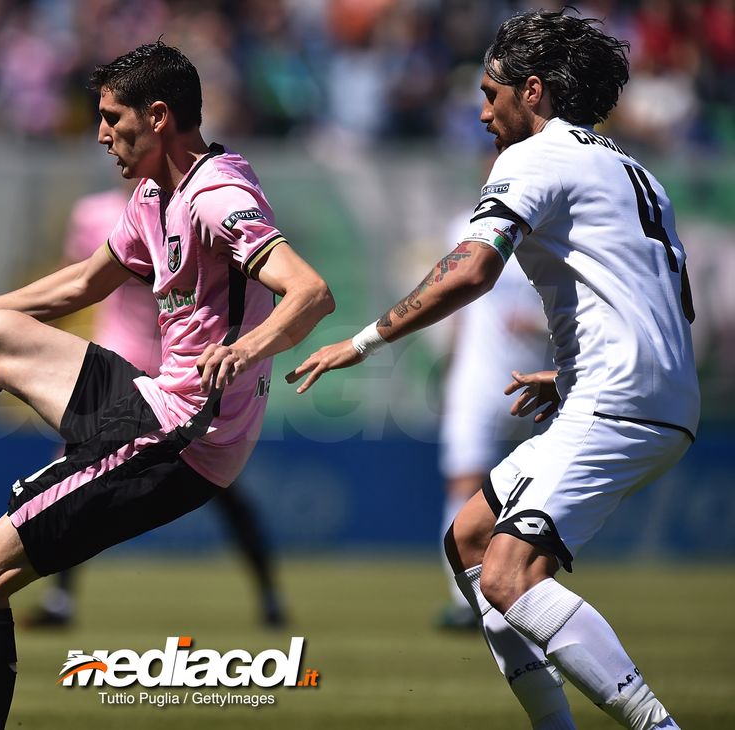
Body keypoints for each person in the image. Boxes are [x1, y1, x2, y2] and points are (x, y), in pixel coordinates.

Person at [0, 40, 333, 729]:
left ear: (156, 117)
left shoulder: (217, 194)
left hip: (185, 433)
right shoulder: (155, 194)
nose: (99, 134)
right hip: (158, 399)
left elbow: (310, 292)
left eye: (111, 118)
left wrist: (245, 349)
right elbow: (87, 282)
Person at [288, 10, 694, 730]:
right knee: (469, 543)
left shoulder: (535, 157)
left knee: (509, 573)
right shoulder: (633, 169)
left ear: (532, 91)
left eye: (490, 93)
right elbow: (657, 300)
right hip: (648, 392)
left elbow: (471, 269)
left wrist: (363, 342)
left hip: (620, 398)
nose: (482, 112)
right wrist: (571, 377)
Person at [26, 182, 287, 628]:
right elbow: (79, 278)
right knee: (75, 470)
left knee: (218, 482)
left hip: (180, 360)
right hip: (121, 352)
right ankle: (60, 599)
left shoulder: (199, 207)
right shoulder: (96, 212)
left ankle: (270, 597)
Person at [435, 208, 551, 631]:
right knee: (464, 483)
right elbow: (455, 304)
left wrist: (537, 323)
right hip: (475, 379)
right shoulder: (466, 225)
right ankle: (464, 601)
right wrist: (448, 370)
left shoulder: (551, 228)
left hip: (537, 382)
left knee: (527, 495)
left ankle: (521, 592)